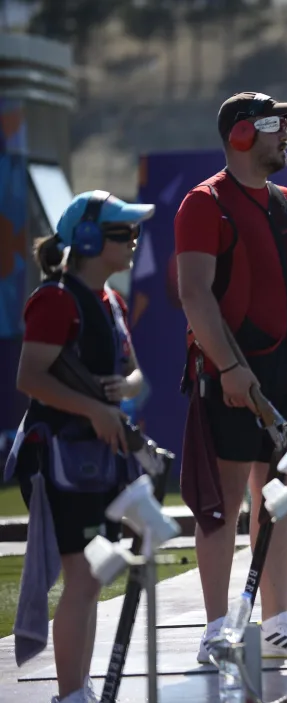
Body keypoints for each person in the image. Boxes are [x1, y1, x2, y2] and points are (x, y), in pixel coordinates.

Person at [173, 92, 287, 663]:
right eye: (273, 124)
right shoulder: (203, 203)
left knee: (278, 500)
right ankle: (217, 629)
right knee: (221, 506)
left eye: (286, 122)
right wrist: (231, 369)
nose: (285, 132)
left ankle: (277, 622)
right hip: (230, 368)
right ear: (241, 135)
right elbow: (194, 295)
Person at [4, 190, 153, 703]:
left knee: (90, 580)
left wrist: (122, 389)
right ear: (89, 238)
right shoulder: (56, 300)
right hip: (62, 459)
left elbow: (132, 374)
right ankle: (71, 695)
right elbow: (30, 378)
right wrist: (92, 408)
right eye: (123, 233)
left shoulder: (108, 300)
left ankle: (79, 690)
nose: (134, 241)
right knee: (85, 578)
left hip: (97, 459)